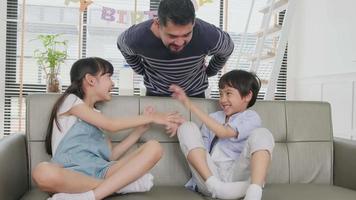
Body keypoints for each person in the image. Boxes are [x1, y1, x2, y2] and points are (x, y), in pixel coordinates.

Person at [32, 57, 182, 200]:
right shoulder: (70, 101)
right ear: (90, 80)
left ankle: (92, 195)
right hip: (70, 175)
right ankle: (120, 187)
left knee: (154, 147)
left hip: (101, 172)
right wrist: (153, 117)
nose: (113, 83)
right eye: (108, 76)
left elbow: (110, 156)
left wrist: (139, 131)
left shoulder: (97, 117)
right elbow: (112, 125)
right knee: (42, 172)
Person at [169, 70, 275, 200]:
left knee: (263, 133)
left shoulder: (251, 117)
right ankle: (218, 188)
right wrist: (184, 128)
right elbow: (201, 150)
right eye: (221, 94)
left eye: (228, 93)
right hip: (210, 178)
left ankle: (254, 190)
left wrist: (188, 104)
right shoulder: (213, 117)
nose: (222, 99)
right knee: (186, 127)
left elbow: (223, 133)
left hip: (236, 176)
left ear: (247, 96)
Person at [117, 0, 234, 98]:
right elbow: (122, 45)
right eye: (172, 36)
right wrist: (140, 70)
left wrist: (210, 71)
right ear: (158, 24)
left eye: (186, 34)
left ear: (194, 24)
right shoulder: (137, 37)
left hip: (195, 94)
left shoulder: (208, 35)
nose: (179, 42)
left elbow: (228, 48)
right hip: (156, 94)